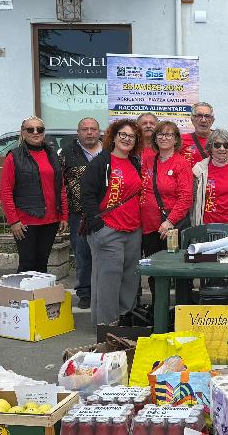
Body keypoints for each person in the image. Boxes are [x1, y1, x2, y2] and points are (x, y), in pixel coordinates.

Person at [80, 119, 144, 326]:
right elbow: (87, 196)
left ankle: (124, 319)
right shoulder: (101, 163)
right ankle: (107, 325)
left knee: (130, 278)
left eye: (131, 136)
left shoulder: (135, 162)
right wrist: (98, 226)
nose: (126, 139)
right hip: (108, 229)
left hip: (133, 229)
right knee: (108, 279)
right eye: (122, 135)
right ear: (113, 137)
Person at [0, 116, 68, 273]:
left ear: (44, 133)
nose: (35, 132)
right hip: (25, 220)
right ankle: (24, 298)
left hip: (51, 219)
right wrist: (14, 221)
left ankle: (39, 297)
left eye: (40, 129)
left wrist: (64, 215)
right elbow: (5, 191)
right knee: (27, 264)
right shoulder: (13, 157)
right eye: (30, 129)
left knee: (42, 263)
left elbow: (61, 187)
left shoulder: (53, 155)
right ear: (22, 133)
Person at [58, 117, 102, 309]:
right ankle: (85, 292)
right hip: (79, 213)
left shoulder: (109, 151)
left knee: (106, 254)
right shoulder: (67, 153)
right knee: (83, 253)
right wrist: (63, 214)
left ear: (99, 132)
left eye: (93, 129)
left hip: (106, 213)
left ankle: (104, 291)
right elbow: (59, 184)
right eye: (85, 129)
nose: (89, 132)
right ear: (78, 133)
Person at [140, 120, 193, 257]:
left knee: (173, 268)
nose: (164, 138)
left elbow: (186, 198)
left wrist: (170, 221)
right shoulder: (148, 161)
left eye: (169, 135)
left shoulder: (181, 164)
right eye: (160, 134)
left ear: (176, 139)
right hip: (148, 224)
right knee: (153, 268)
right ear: (155, 138)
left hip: (170, 225)